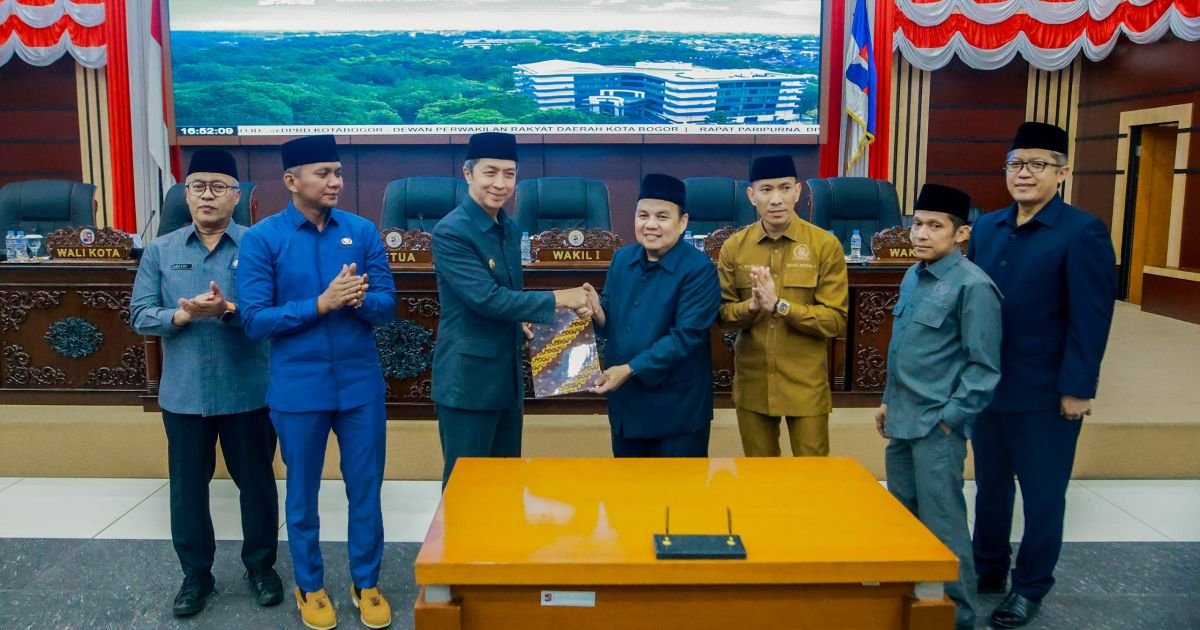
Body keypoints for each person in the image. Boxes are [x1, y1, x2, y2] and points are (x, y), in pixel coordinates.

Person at [237, 135, 397, 630]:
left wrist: (358, 301)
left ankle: (365, 581)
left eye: (338, 173)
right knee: (302, 495)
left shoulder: (362, 231)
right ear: (291, 181)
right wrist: (319, 305)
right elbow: (254, 320)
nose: (335, 182)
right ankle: (310, 585)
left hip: (359, 387)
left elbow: (388, 304)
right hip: (298, 389)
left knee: (365, 490)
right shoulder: (263, 238)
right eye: (323, 173)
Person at [969, 121, 1117, 628]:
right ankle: (987, 570)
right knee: (989, 486)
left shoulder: (1083, 231)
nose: (1024, 174)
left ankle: (1030, 587)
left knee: (1043, 494)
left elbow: (1091, 318)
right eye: (1016, 164)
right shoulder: (986, 227)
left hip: (1046, 392)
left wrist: (1078, 387)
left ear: (1062, 172)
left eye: (1037, 165)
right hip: (987, 385)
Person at [131, 149, 282, 618]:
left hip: (248, 391)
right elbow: (139, 314)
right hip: (184, 394)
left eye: (219, 187)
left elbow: (276, 315)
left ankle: (261, 567)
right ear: (185, 194)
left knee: (256, 484)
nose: (207, 196)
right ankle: (196, 575)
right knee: (188, 489)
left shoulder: (261, 245)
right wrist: (180, 314)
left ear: (237, 196)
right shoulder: (161, 249)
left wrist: (230, 311)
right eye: (198, 186)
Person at [430, 132, 591, 486]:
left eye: (509, 174)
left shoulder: (509, 227)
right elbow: (486, 299)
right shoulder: (452, 231)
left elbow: (505, 298)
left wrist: (519, 323)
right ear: (468, 174)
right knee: (466, 490)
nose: (500, 184)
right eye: (490, 173)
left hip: (506, 380)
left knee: (502, 486)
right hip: (468, 383)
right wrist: (559, 298)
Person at [875, 183, 1002, 630]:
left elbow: (983, 367)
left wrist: (950, 421)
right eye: (917, 223)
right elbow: (902, 349)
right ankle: (911, 606)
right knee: (906, 521)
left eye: (935, 225)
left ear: (961, 233)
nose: (921, 234)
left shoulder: (974, 286)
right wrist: (889, 401)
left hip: (936, 428)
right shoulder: (914, 274)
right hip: (902, 420)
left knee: (943, 524)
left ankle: (959, 616)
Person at [717, 155, 849, 457]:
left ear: (798, 191)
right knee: (762, 481)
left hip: (805, 384)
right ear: (751, 196)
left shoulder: (824, 246)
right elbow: (722, 315)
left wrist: (780, 306)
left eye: (784, 188)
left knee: (811, 479)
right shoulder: (734, 247)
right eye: (766, 190)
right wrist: (751, 307)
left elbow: (834, 321)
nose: (776, 199)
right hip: (754, 384)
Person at [582, 174, 721, 457]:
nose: (651, 225)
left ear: (682, 223)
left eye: (662, 216)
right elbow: (611, 320)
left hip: (676, 409)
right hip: (626, 403)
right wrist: (596, 311)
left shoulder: (699, 269)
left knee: (677, 496)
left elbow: (686, 337)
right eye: (643, 215)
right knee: (630, 493)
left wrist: (630, 369)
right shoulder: (622, 259)